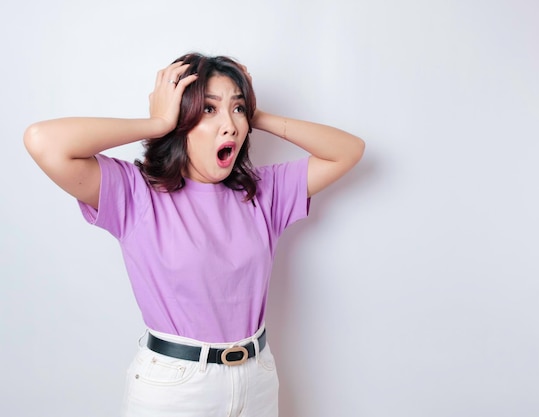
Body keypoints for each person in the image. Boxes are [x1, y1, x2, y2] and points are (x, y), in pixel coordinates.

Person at [23, 52, 365, 416]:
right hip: (175, 388)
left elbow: (348, 151)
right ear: (181, 119)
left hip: (257, 379)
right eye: (208, 110)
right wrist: (156, 123)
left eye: (237, 110)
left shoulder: (264, 192)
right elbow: (43, 140)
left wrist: (256, 113)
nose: (230, 126)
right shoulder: (137, 193)